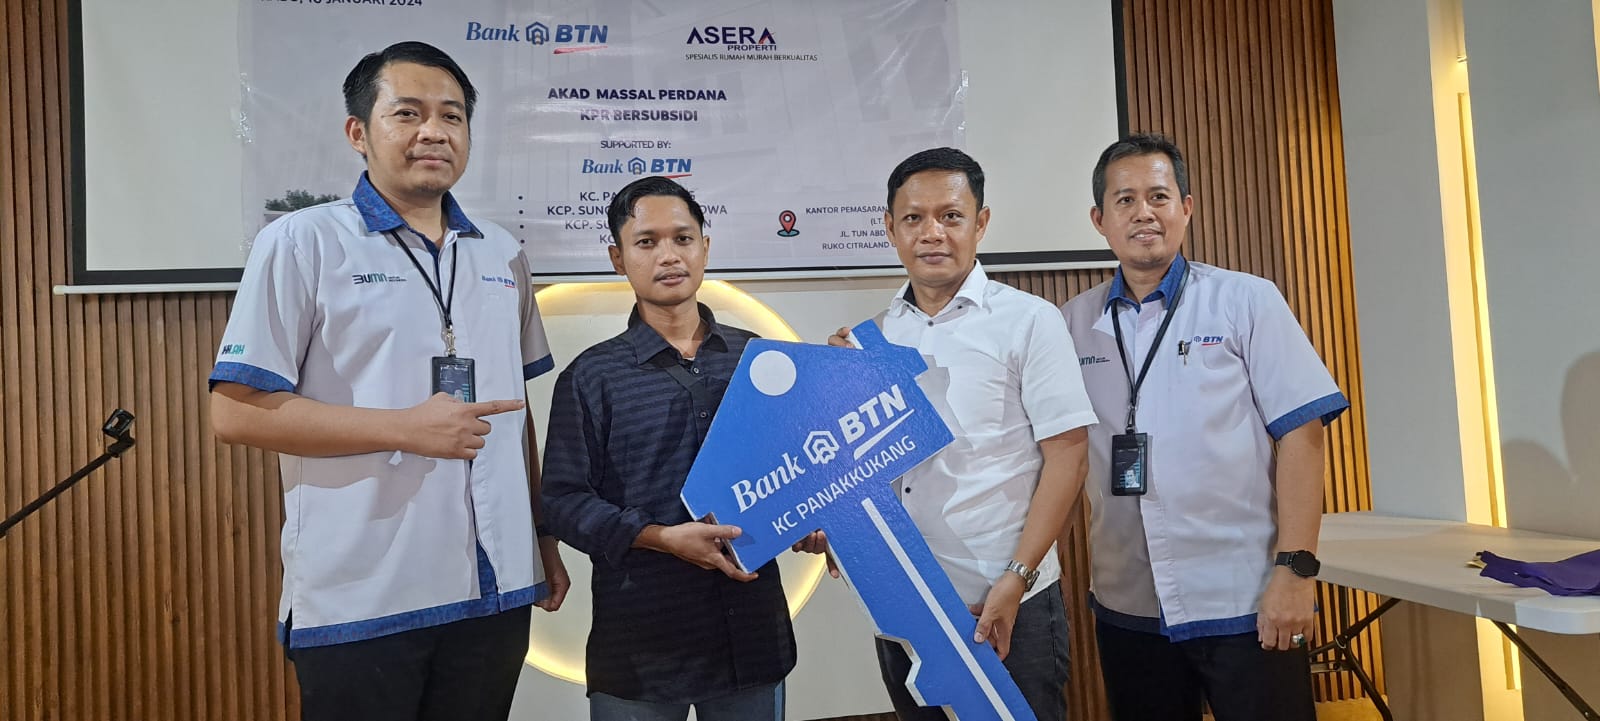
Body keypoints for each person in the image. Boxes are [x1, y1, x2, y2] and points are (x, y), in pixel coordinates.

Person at [208, 41, 568, 721]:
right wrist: (404, 428)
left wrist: (541, 538)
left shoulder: (502, 253)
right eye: (408, 113)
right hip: (364, 599)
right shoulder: (303, 242)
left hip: (496, 590)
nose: (434, 131)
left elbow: (514, 415)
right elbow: (235, 411)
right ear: (358, 132)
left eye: (452, 116)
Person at [1060, 133, 1350, 721]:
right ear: (1099, 220)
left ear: (1186, 207)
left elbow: (1303, 435)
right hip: (1130, 603)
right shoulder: (1072, 322)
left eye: (1159, 196)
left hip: (1246, 597)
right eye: (1125, 200)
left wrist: (1296, 572)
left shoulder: (1246, 301)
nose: (1144, 212)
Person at [804, 147, 1096, 721]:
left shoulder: (1029, 320)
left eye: (951, 216)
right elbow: (854, 472)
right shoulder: (866, 341)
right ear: (890, 228)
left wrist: (1016, 579)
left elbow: (1069, 457)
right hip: (903, 604)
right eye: (913, 218)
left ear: (980, 223)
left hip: (1006, 600)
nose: (932, 232)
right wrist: (832, 526)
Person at [540, 176, 796, 721]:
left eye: (683, 238)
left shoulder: (758, 360)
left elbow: (796, 467)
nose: (669, 255)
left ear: (706, 246)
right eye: (646, 242)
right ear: (618, 258)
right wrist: (659, 538)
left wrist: (811, 519)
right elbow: (562, 501)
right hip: (642, 646)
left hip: (751, 636)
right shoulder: (591, 376)